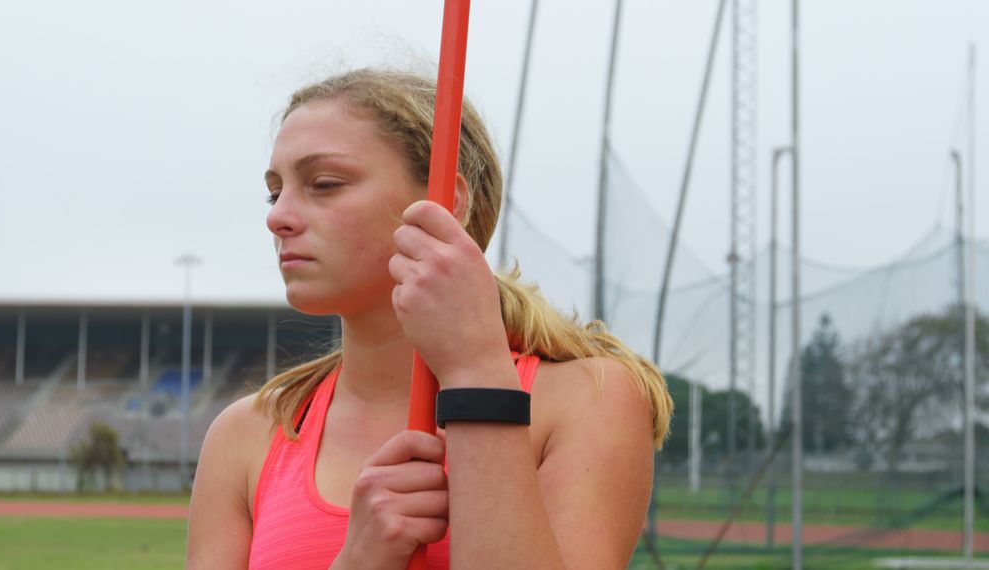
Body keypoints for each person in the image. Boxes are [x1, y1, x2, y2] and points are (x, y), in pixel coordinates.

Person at [187, 68, 673, 570]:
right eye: (275, 191)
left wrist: (475, 373)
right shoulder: (247, 435)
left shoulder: (587, 399)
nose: (277, 216)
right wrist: (357, 562)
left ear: (446, 203)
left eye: (324, 184)